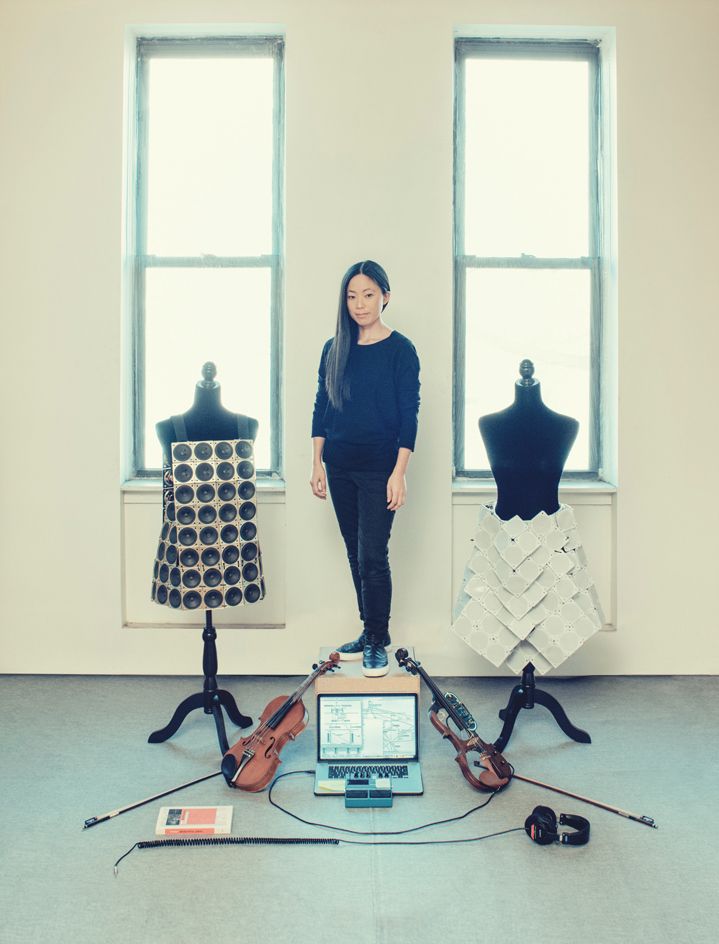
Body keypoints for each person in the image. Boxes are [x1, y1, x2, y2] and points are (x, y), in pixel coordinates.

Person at [310, 260, 420, 677]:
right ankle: (368, 629)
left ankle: (378, 638)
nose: (359, 304)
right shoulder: (333, 348)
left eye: (368, 294)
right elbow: (322, 407)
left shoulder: (401, 351)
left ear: (385, 296)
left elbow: (409, 414)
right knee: (355, 553)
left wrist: (399, 471)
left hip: (379, 469)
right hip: (339, 466)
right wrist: (317, 462)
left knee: (373, 554)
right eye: (352, 296)